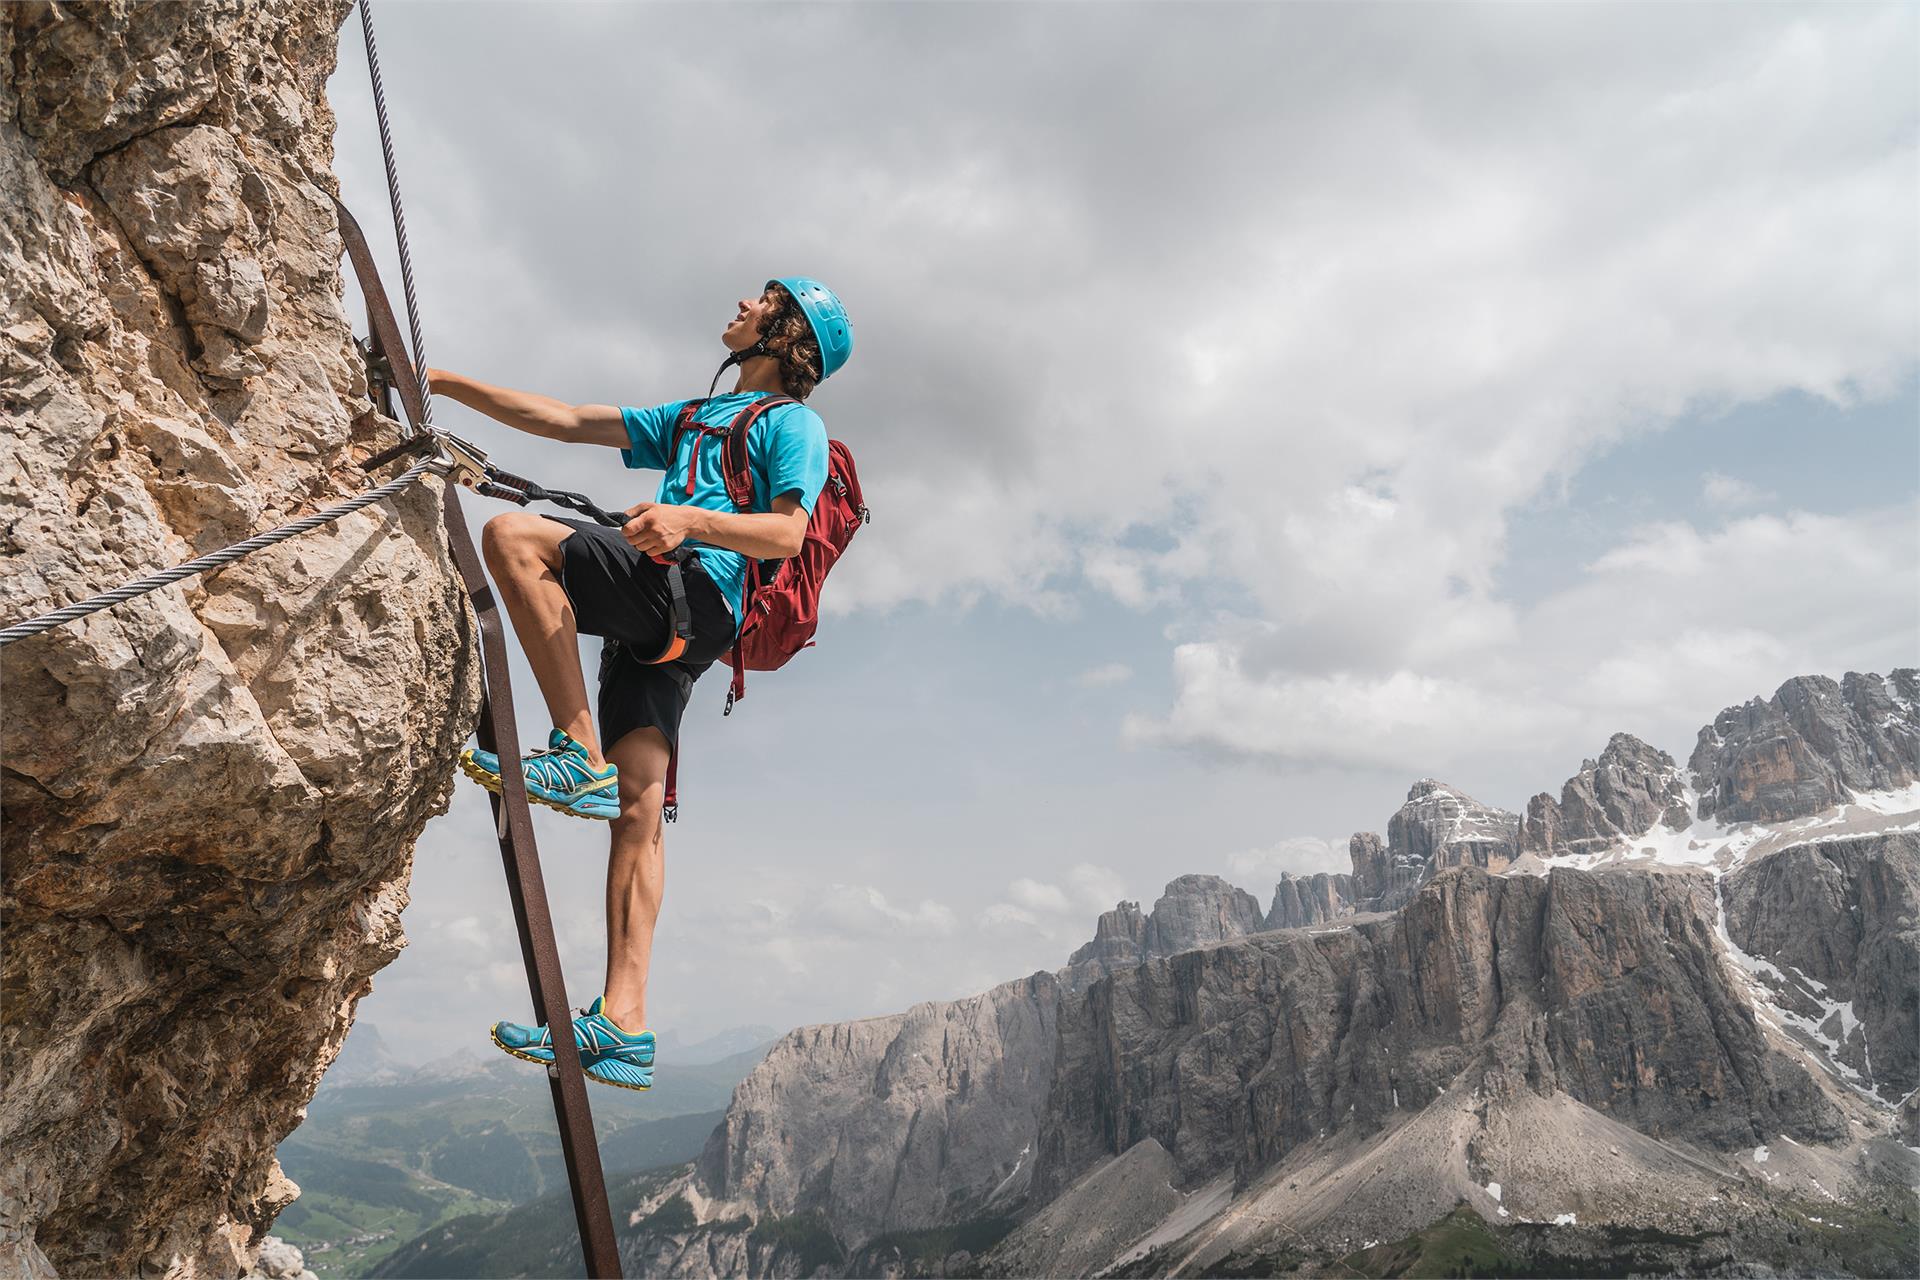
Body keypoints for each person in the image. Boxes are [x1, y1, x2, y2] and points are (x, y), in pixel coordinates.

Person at [423, 278, 852, 1090]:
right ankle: (624, 1023)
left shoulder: (794, 423)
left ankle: (574, 751)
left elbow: (787, 532)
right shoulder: (694, 417)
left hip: (694, 590)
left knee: (515, 537)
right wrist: (442, 382)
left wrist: (688, 520)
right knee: (640, 810)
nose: (740, 304)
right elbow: (562, 418)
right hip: (672, 617)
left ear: (786, 332)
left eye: (761, 300)